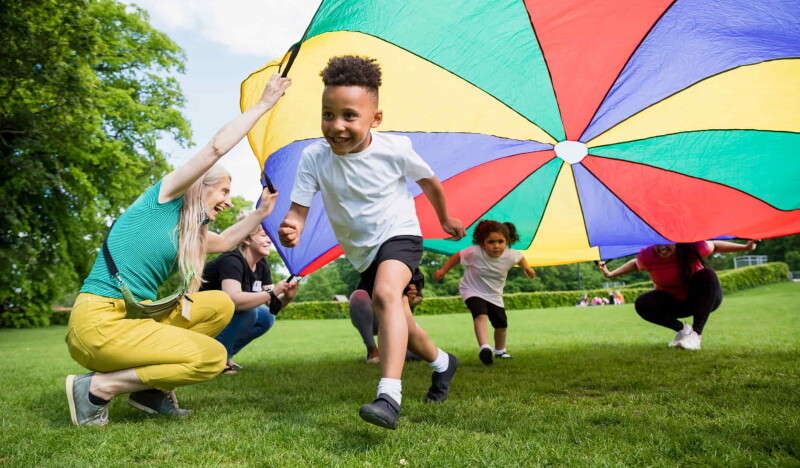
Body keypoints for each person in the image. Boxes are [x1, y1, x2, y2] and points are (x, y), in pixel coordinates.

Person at [64, 74, 292, 426]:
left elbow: (226, 241)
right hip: (98, 325)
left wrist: (262, 213)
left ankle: (148, 391)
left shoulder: (189, 231)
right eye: (224, 192)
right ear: (201, 186)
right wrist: (263, 105)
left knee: (218, 304)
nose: (229, 202)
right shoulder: (164, 198)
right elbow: (216, 147)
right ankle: (98, 388)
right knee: (212, 358)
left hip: (134, 320)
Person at [278, 55, 465, 430]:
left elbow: (429, 182)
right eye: (328, 114)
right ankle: (443, 363)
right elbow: (298, 210)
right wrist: (291, 225)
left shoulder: (394, 149)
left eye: (349, 116)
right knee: (402, 323)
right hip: (362, 251)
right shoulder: (314, 157)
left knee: (384, 295)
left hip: (399, 233)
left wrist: (444, 218)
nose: (337, 126)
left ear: (375, 119)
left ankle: (389, 396)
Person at [597, 240, 758, 350]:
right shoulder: (648, 255)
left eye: (667, 243)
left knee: (707, 274)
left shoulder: (692, 247)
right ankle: (683, 329)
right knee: (642, 303)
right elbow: (635, 264)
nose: (662, 248)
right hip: (674, 303)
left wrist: (746, 248)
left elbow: (714, 246)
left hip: (702, 299)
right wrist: (610, 274)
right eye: (657, 243)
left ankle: (696, 335)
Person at [201, 213, 299, 374]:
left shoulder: (261, 264)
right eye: (263, 236)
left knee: (266, 316)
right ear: (246, 240)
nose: (269, 240)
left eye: (270, 236)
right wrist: (273, 292)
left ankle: (224, 355)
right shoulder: (232, 261)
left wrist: (287, 297)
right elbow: (234, 300)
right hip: (201, 313)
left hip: (224, 314)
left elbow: (272, 306)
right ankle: (214, 360)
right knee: (249, 311)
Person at [434, 220, 535, 365]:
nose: (496, 246)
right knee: (480, 315)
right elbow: (457, 256)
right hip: (471, 290)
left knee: (501, 324)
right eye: (491, 242)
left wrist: (527, 268)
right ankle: (485, 347)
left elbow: (520, 258)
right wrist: (443, 270)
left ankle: (500, 351)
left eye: (501, 241)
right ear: (482, 242)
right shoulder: (474, 252)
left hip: (494, 294)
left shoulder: (511, 255)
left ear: (507, 241)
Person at [349, 281, 424, 364]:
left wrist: (408, 300)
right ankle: (372, 352)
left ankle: (389, 351)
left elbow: (419, 297)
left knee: (420, 353)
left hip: (399, 319)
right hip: (376, 317)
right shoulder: (369, 271)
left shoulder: (412, 271)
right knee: (358, 295)